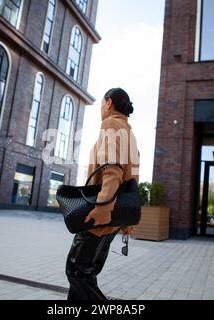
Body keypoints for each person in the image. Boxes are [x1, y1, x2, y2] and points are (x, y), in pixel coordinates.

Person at [65, 88, 140, 300]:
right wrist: (125, 219)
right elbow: (132, 180)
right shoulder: (129, 133)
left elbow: (112, 168)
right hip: (114, 217)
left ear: (108, 103)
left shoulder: (110, 124)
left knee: (77, 272)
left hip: (100, 215)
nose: (100, 110)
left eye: (101, 105)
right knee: (86, 276)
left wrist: (102, 206)